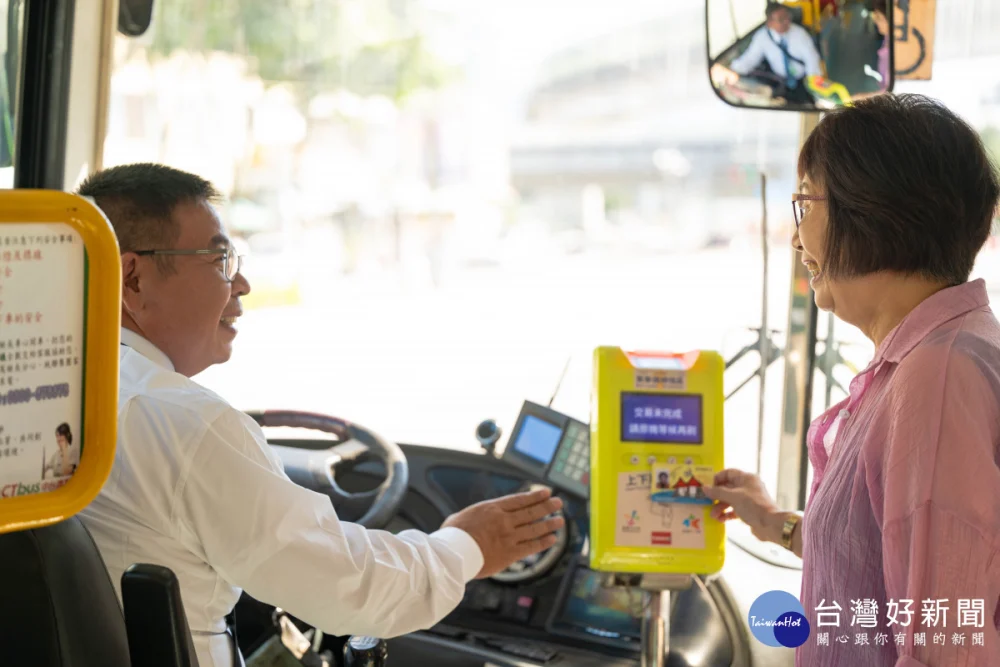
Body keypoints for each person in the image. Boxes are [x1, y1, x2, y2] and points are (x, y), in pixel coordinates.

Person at [74, 163, 565, 667]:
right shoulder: (188, 424)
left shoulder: (53, 396)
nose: (240, 284)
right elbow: (353, 591)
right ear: (132, 279)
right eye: (220, 260)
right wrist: (467, 545)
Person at [703, 94, 1000, 666]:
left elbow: (947, 647)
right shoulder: (931, 356)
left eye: (804, 205)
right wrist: (778, 525)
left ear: (872, 210)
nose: (796, 239)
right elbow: (895, 563)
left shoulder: (938, 376)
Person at [713, 3, 823, 105]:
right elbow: (750, 59)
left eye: (787, 17)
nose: (786, 22)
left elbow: (812, 59)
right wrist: (731, 70)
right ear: (770, 23)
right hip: (780, 82)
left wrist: (814, 85)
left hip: (802, 81)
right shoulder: (762, 37)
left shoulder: (799, 33)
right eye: (781, 19)